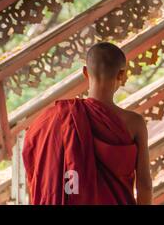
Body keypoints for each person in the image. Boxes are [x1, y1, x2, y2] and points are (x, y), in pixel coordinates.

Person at [22, 42, 152, 205]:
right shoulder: (135, 123)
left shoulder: (55, 118)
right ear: (121, 75)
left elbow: (36, 166)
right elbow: (144, 184)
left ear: (85, 72)